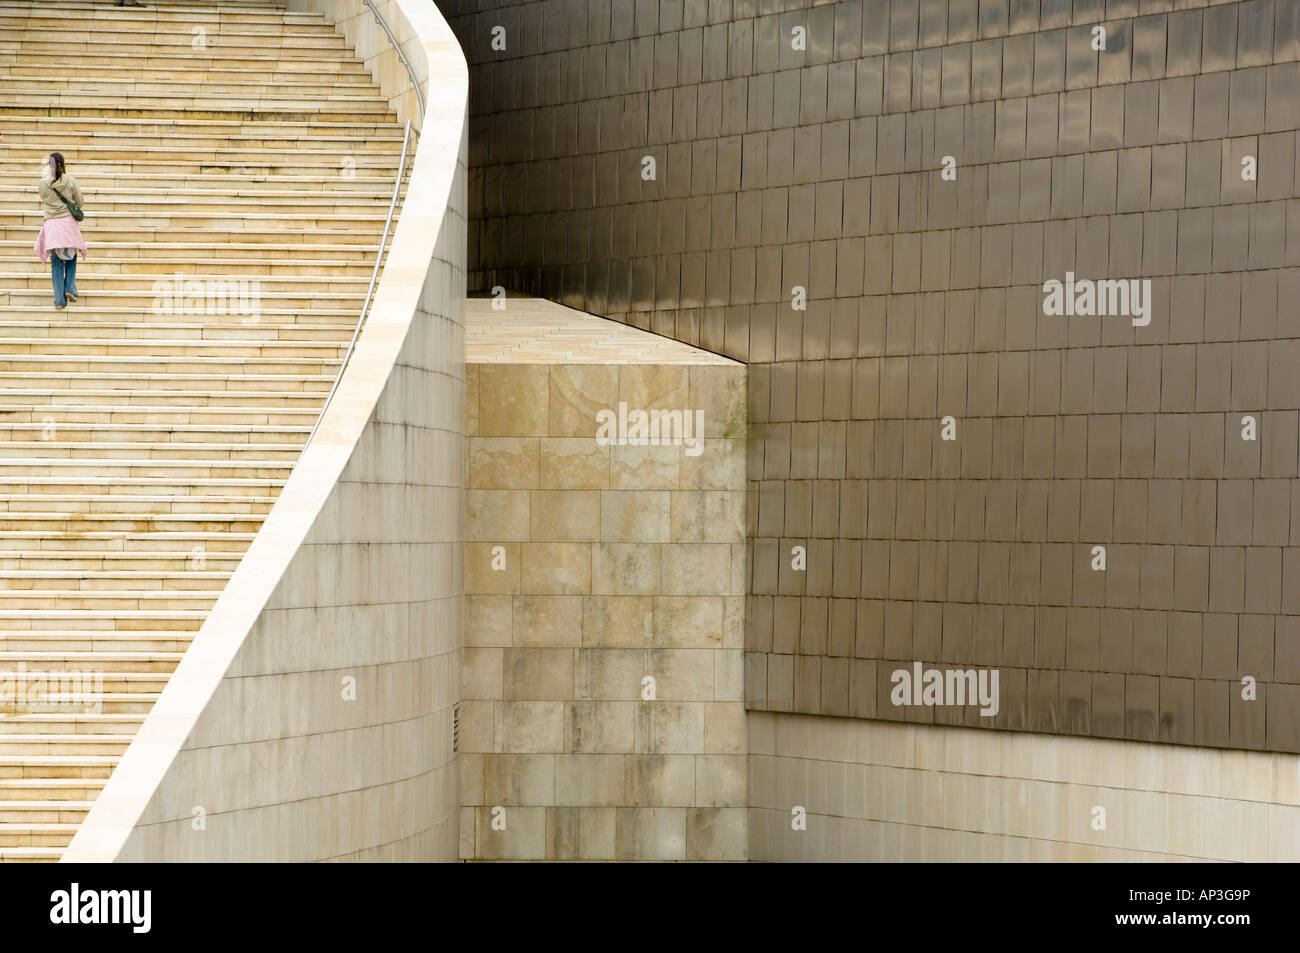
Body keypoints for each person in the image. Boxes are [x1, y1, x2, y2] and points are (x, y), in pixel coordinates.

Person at [35, 153, 87, 310]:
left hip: (52, 225)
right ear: (63, 164)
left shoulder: (43, 184)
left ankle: (59, 300)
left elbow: (45, 199)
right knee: (71, 258)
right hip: (68, 225)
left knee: (56, 263)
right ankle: (70, 288)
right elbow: (80, 202)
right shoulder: (70, 181)